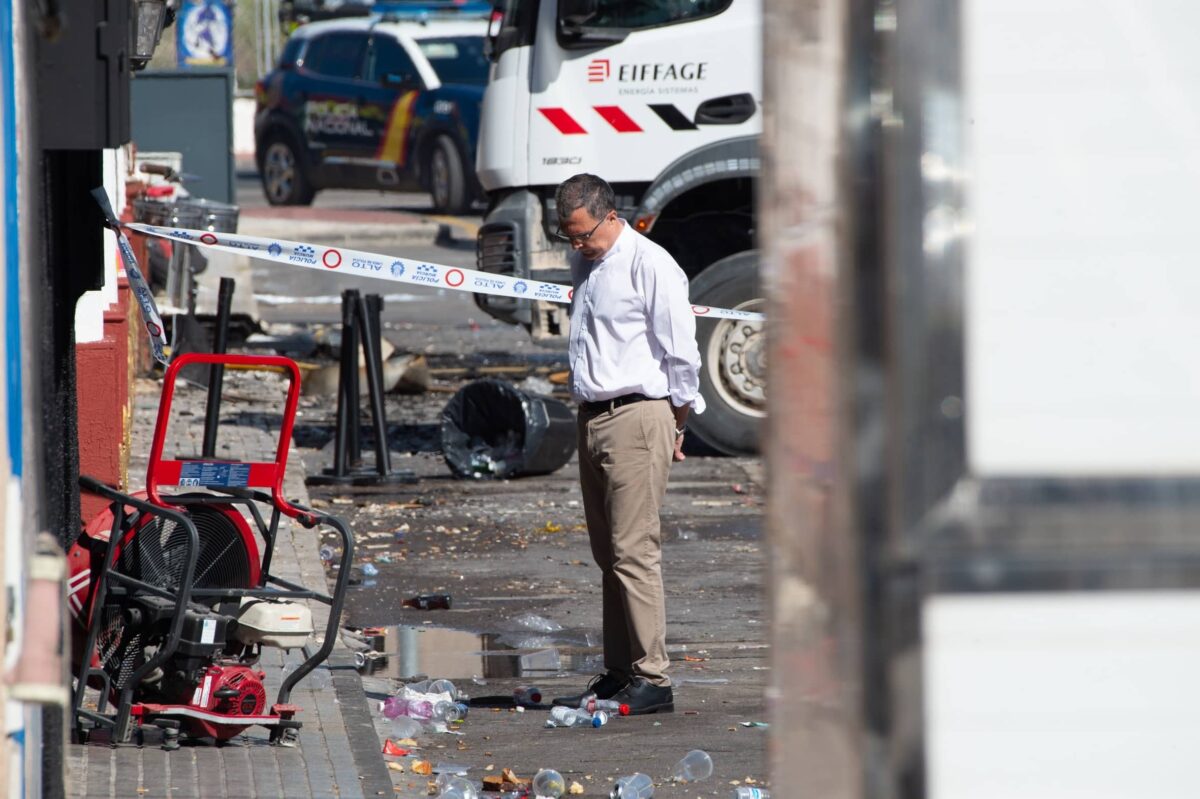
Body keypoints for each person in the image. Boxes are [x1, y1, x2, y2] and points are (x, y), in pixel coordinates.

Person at [549, 174, 705, 715]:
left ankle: (652, 678)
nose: (576, 245)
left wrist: (677, 421)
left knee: (634, 552)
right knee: (608, 554)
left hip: (637, 416)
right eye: (567, 237)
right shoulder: (587, 265)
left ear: (609, 216)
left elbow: (681, 353)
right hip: (593, 417)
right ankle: (619, 672)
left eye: (582, 234)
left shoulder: (651, 264)